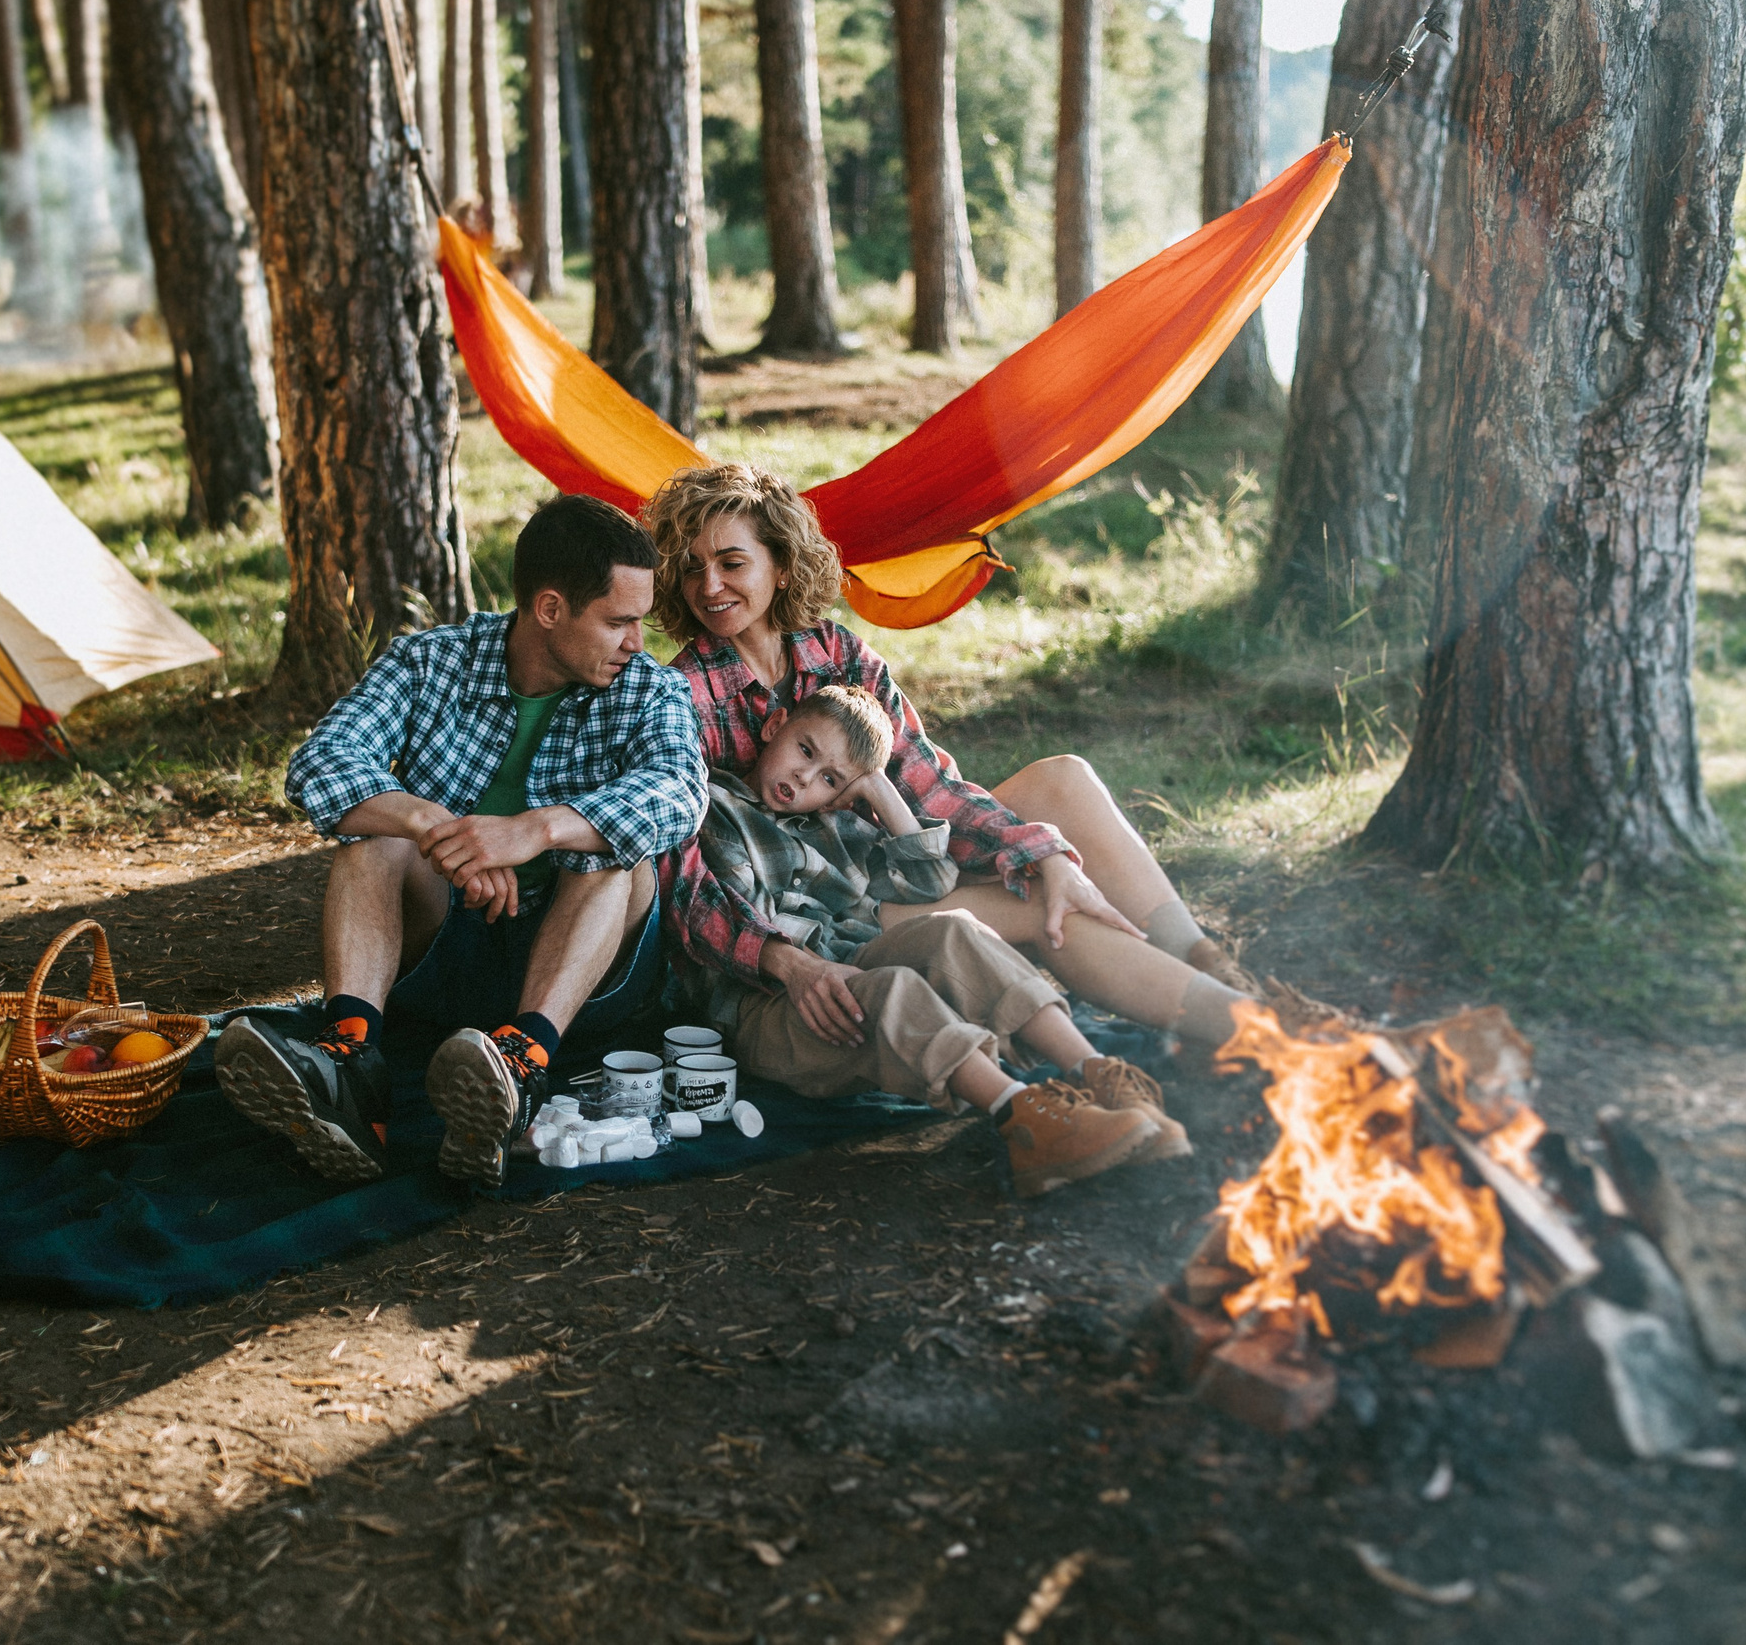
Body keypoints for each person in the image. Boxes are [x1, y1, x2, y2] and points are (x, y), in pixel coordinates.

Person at [644, 463, 1257, 1089]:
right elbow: (688, 879)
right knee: (1046, 906)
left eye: (731, 562)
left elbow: (930, 789)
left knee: (1064, 783)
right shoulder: (681, 695)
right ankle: (1254, 1031)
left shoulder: (841, 656)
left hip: (898, 862)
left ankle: (1209, 964)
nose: (709, 585)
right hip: (835, 909)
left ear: (780, 562)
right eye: (691, 568)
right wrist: (787, 961)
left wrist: (1042, 853)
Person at [218, 495, 706, 1188]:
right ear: (549, 609)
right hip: (451, 949)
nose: (637, 641)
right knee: (372, 835)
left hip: (583, 971)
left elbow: (679, 792)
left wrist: (530, 832)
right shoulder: (429, 663)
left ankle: (521, 1066)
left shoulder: (649, 690)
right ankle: (351, 1062)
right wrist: (439, 831)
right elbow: (321, 763)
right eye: (619, 621)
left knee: (612, 852)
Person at [688, 683, 1186, 1196]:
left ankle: (1099, 1076)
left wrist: (879, 790)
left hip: (846, 963)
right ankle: (1026, 1120)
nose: (804, 776)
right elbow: (733, 913)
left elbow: (932, 884)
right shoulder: (716, 807)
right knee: (887, 987)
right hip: (766, 1002)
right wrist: (815, 965)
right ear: (774, 727)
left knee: (954, 928)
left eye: (830, 778)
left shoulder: (833, 826)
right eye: (805, 751)